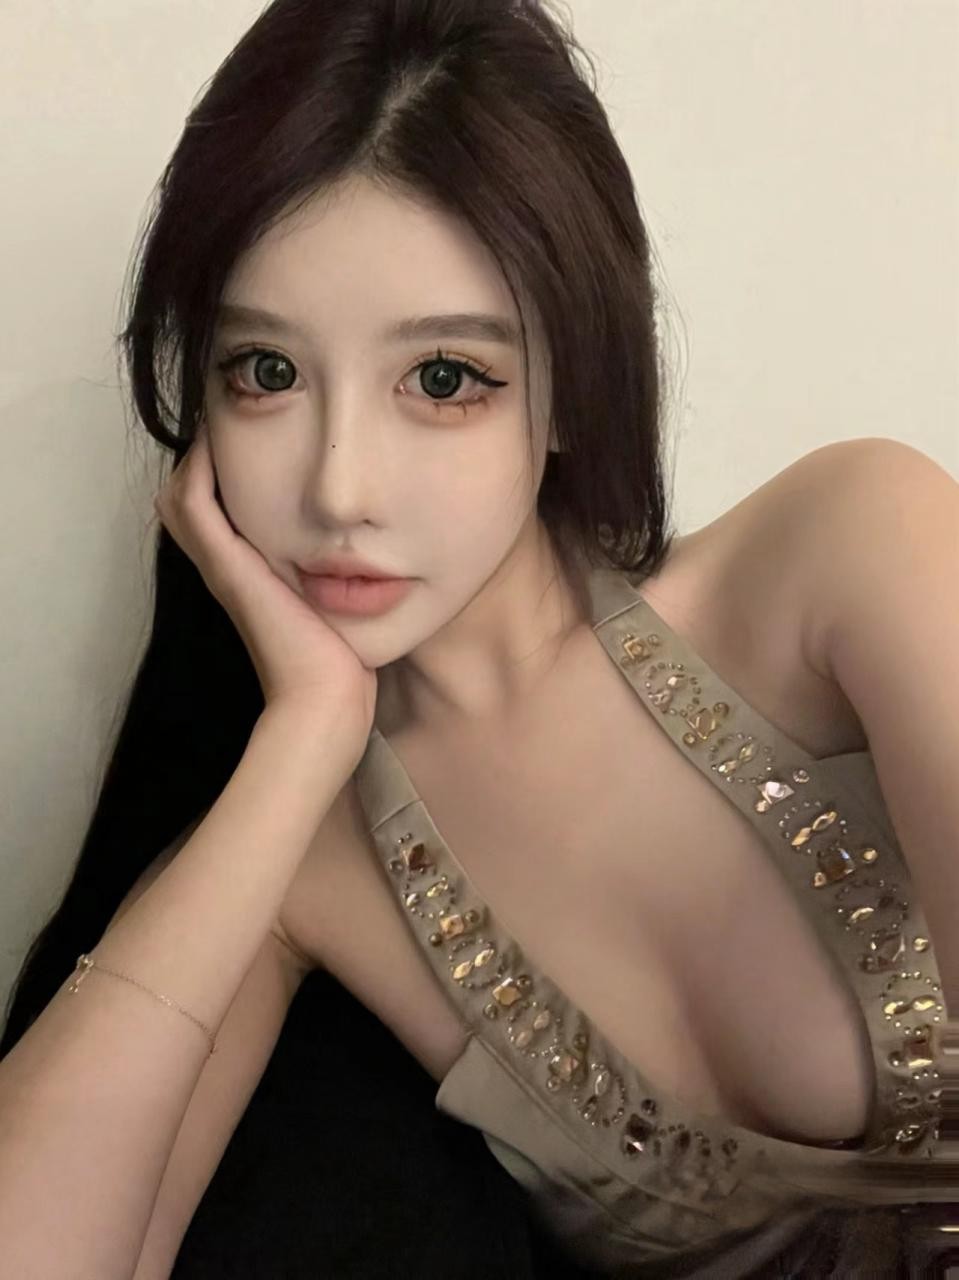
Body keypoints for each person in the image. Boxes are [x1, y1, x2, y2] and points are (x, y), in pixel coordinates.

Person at [1, 1, 957, 1276]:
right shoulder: (298, 866)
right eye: (266, 373)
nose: (339, 487)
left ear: (571, 389)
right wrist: (303, 734)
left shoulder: (850, 550)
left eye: (443, 377)